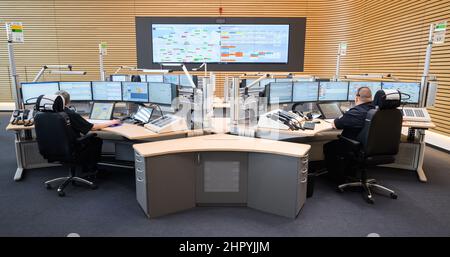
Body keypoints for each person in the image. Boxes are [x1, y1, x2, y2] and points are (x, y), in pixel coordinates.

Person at [56, 90, 120, 174]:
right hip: (72, 148)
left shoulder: (49, 113)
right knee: (96, 140)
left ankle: (86, 167)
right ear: (68, 101)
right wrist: (112, 122)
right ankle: (91, 169)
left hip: (56, 147)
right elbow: (93, 127)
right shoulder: (70, 114)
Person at [323, 87, 375, 184]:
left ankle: (335, 178)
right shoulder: (376, 110)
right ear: (371, 97)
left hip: (356, 147)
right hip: (373, 147)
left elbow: (336, 124)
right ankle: (350, 173)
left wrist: (345, 114)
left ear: (357, 98)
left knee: (329, 146)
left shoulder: (356, 111)